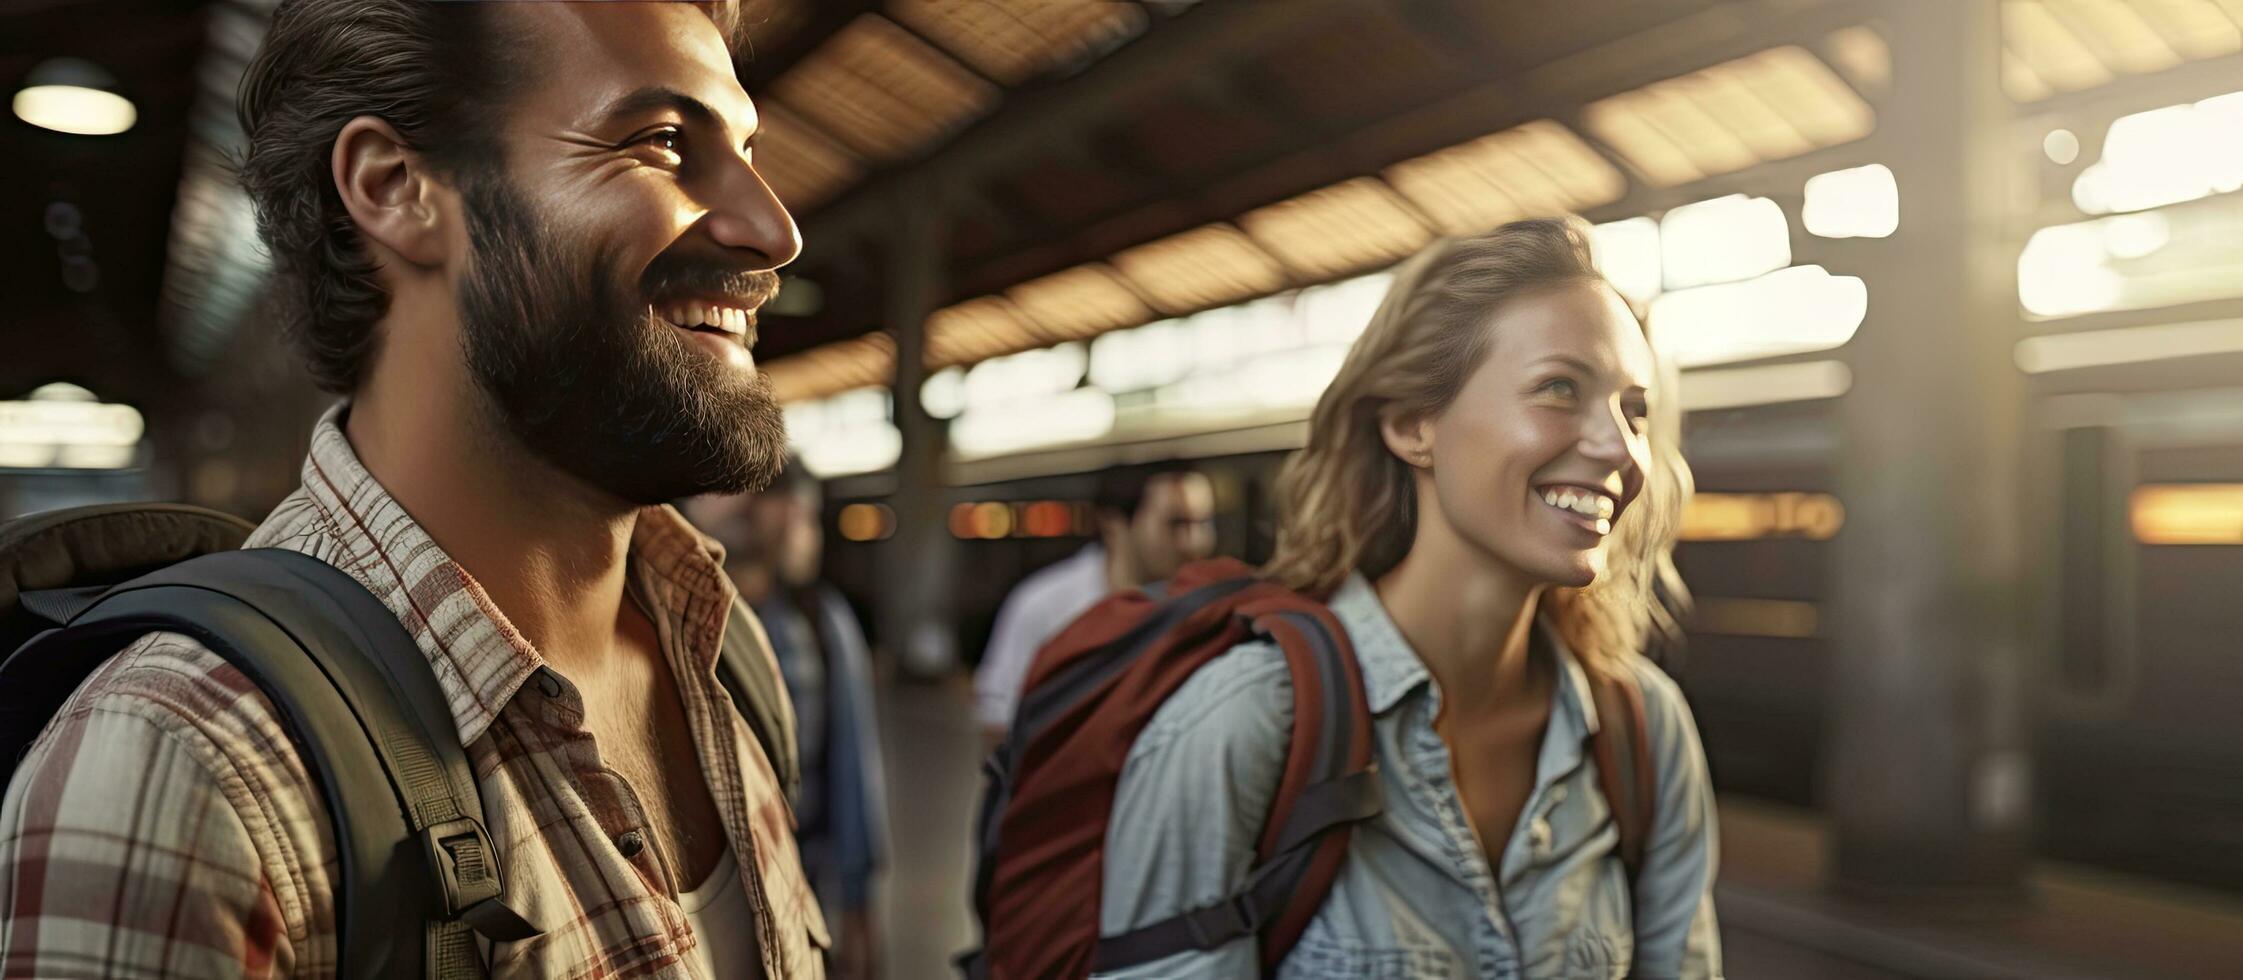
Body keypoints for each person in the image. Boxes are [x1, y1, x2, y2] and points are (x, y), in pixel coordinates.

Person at [0, 2, 829, 977]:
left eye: (744, 147)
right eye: (657, 142)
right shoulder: (187, 764)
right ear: (396, 189)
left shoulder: (727, 659)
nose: (773, 229)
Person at [1094, 219, 1720, 978]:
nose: (1620, 449)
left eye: (1635, 409)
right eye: (1560, 388)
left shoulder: (1644, 732)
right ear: (1410, 424)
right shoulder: (1243, 723)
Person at [687, 460, 888, 980]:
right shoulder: (671, 614)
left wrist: (860, 905)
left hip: (800, 882)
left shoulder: (819, 622)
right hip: (701, 895)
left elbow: (851, 767)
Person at [971, 463, 1216, 740]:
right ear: (1114, 525)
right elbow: (998, 719)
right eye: (1175, 524)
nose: (1196, 542)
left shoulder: (1200, 609)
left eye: (1204, 522)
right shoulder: (1044, 605)